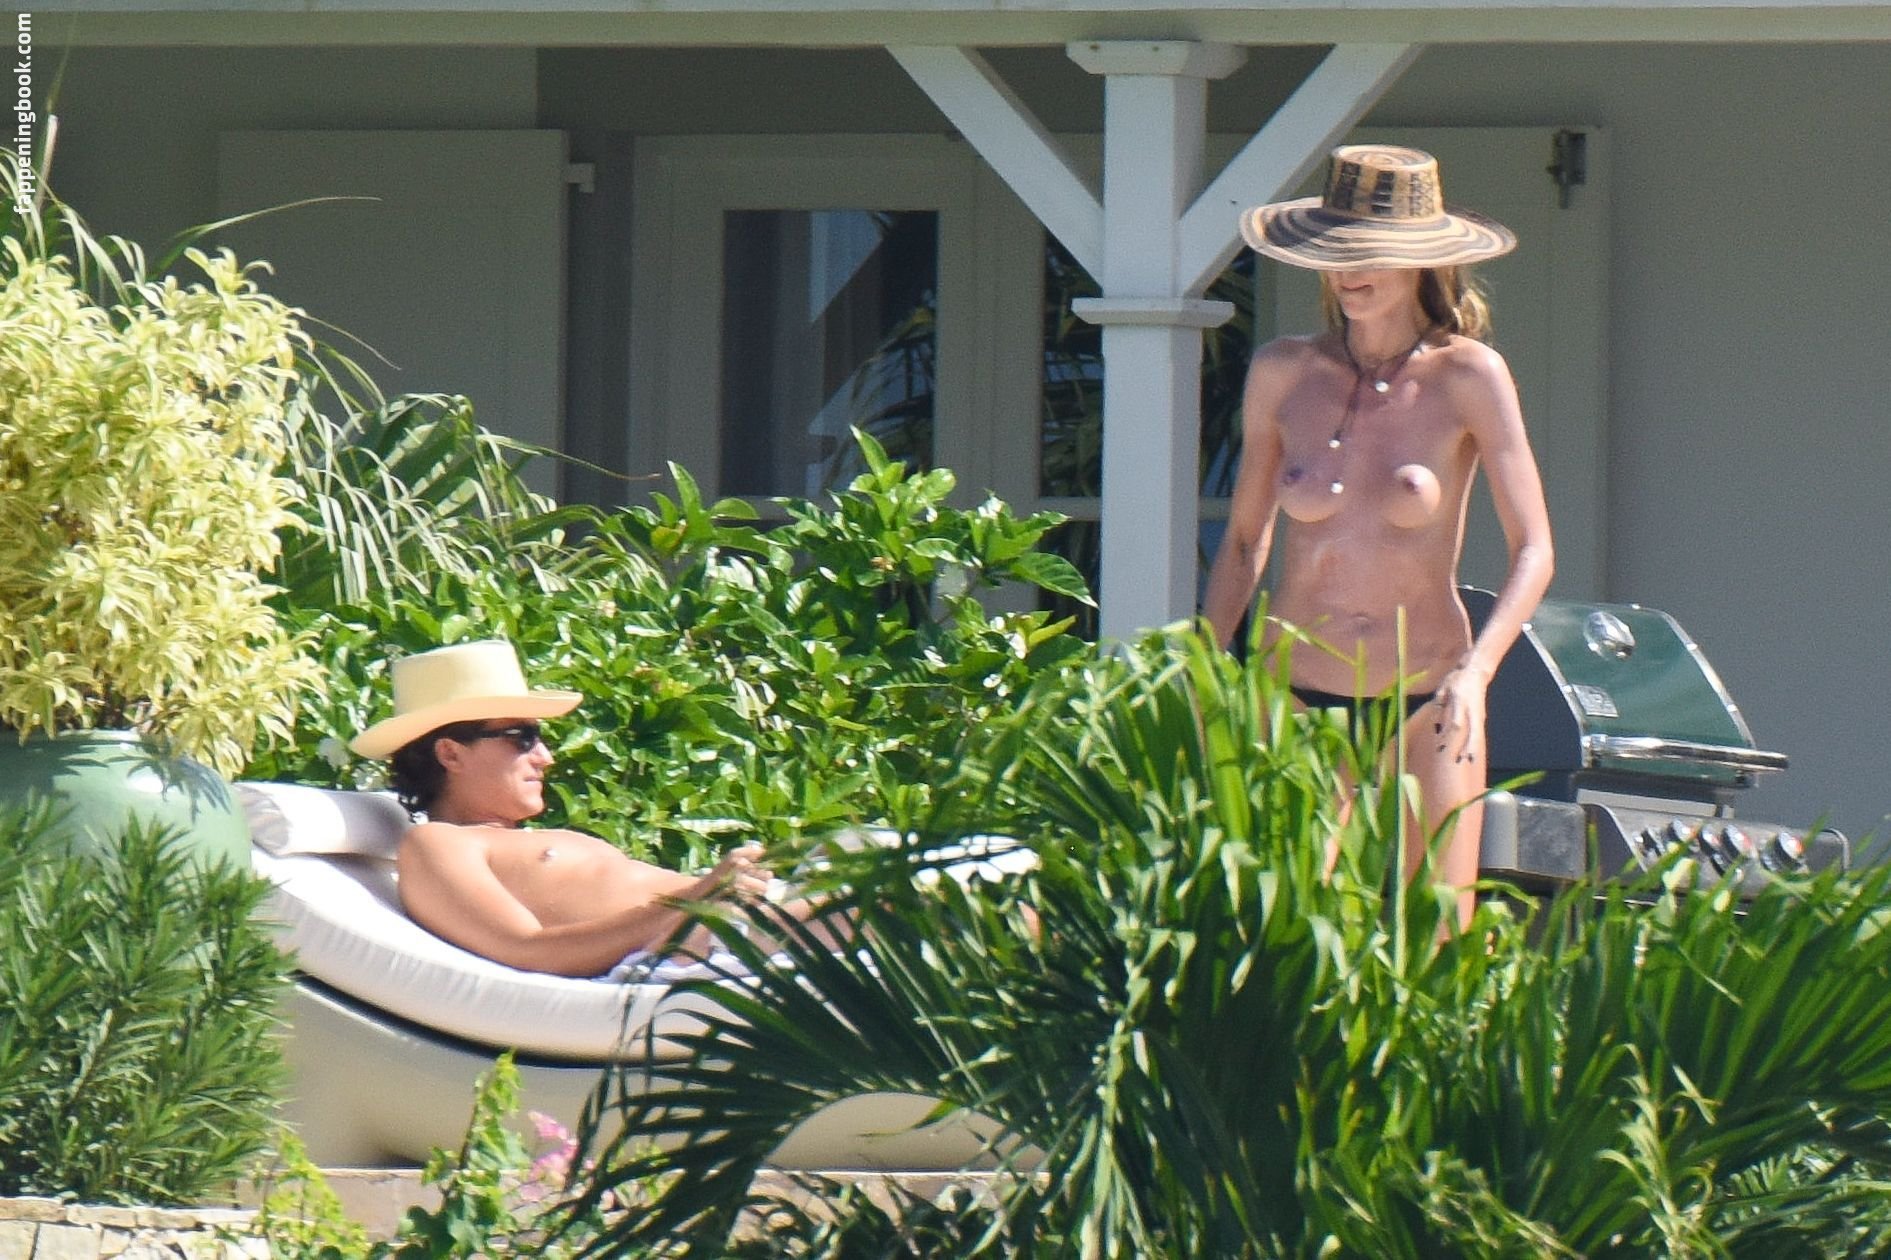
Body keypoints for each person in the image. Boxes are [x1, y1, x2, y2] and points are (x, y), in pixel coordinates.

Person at [1200, 145, 1555, 929]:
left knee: (1437, 933)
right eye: (1334, 253)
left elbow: (1533, 548)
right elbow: (1244, 542)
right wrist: (1205, 663)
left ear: (1421, 260)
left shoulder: (1468, 375)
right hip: (1294, 690)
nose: (1345, 273)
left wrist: (1477, 673)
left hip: (1429, 694)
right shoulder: (1283, 371)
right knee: (1290, 931)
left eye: (1366, 253)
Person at [348, 639, 834, 979]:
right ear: (451, 754)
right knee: (871, 906)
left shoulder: (532, 839)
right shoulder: (438, 843)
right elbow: (528, 951)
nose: (545, 756)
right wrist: (696, 898)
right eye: (521, 738)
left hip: (734, 921)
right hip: (697, 946)